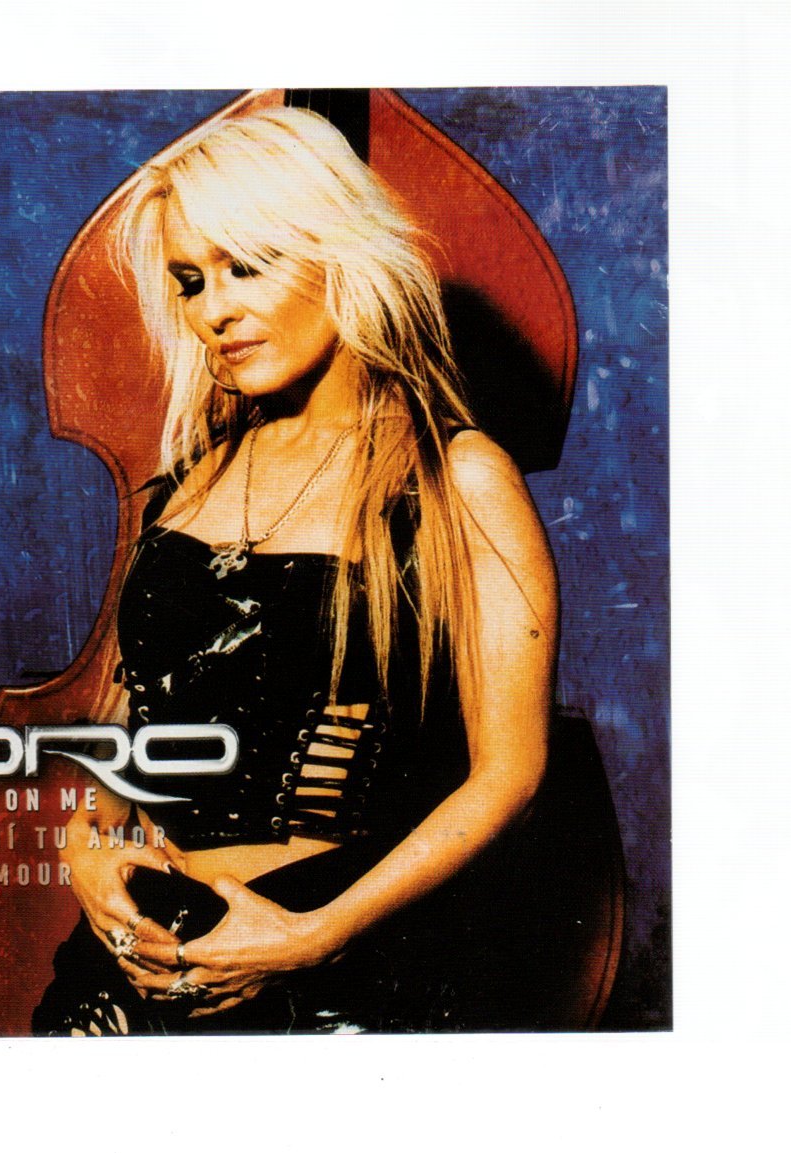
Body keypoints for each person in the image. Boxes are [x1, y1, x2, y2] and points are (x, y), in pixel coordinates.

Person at [32, 105, 558, 1035]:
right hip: (129, 962)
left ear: (336, 253)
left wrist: (315, 935)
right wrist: (86, 852)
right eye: (190, 281)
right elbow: (129, 728)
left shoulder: (456, 477)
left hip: (330, 973)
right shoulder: (192, 477)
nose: (212, 311)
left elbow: (508, 776)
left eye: (246, 265)